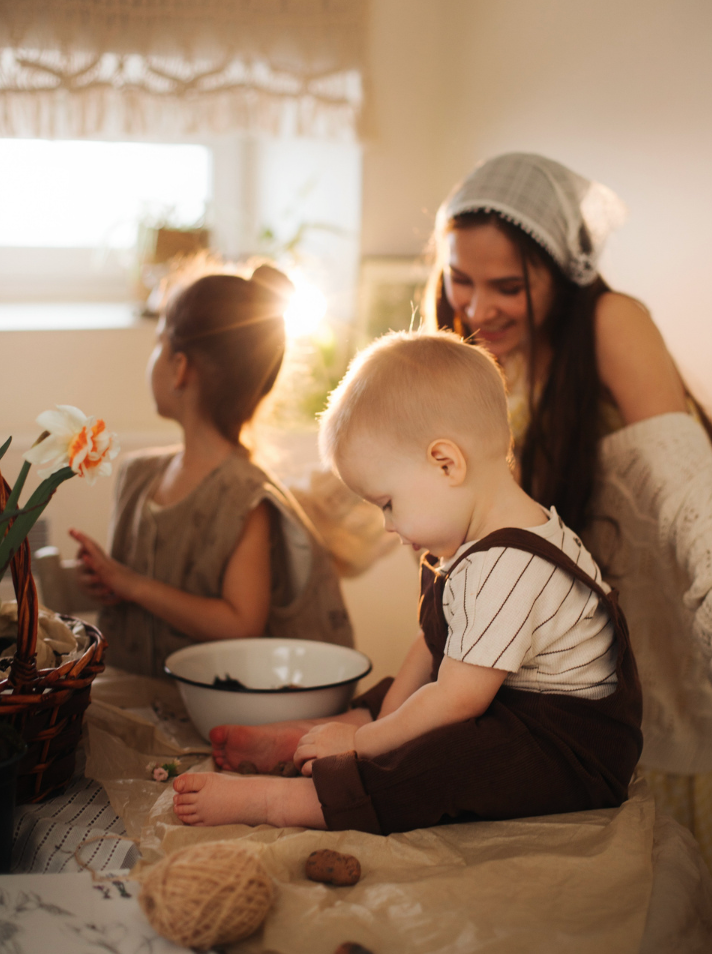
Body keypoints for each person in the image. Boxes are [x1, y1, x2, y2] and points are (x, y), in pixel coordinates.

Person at [172, 331, 642, 833]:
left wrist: (366, 747)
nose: (388, 526)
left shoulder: (508, 567)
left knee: (443, 760)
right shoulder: (476, 544)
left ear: (446, 463)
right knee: (405, 694)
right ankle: (325, 733)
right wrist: (381, 726)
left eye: (388, 503)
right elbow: (430, 645)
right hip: (508, 706)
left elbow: (459, 700)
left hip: (566, 750)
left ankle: (282, 801)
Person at [425, 152, 712, 865]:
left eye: (507, 286)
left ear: (561, 274)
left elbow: (690, 494)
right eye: (460, 278)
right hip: (580, 672)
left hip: (667, 644)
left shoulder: (612, 321)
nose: (476, 307)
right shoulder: (491, 353)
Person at [71, 262, 353, 678]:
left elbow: (240, 622)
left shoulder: (246, 498)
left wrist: (132, 584)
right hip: (125, 695)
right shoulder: (137, 477)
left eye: (158, 342)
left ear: (180, 366)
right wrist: (108, 582)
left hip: (197, 716)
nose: (153, 357)